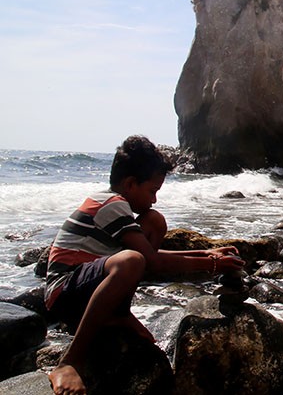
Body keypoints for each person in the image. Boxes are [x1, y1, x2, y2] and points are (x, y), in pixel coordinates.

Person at [45, 135, 245, 395]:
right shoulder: (112, 205)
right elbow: (150, 260)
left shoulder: (118, 204)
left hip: (87, 286)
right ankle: (69, 361)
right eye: (152, 191)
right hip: (65, 294)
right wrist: (212, 264)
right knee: (132, 261)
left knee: (154, 221)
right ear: (130, 184)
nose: (154, 199)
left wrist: (207, 251)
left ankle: (117, 315)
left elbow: (149, 253)